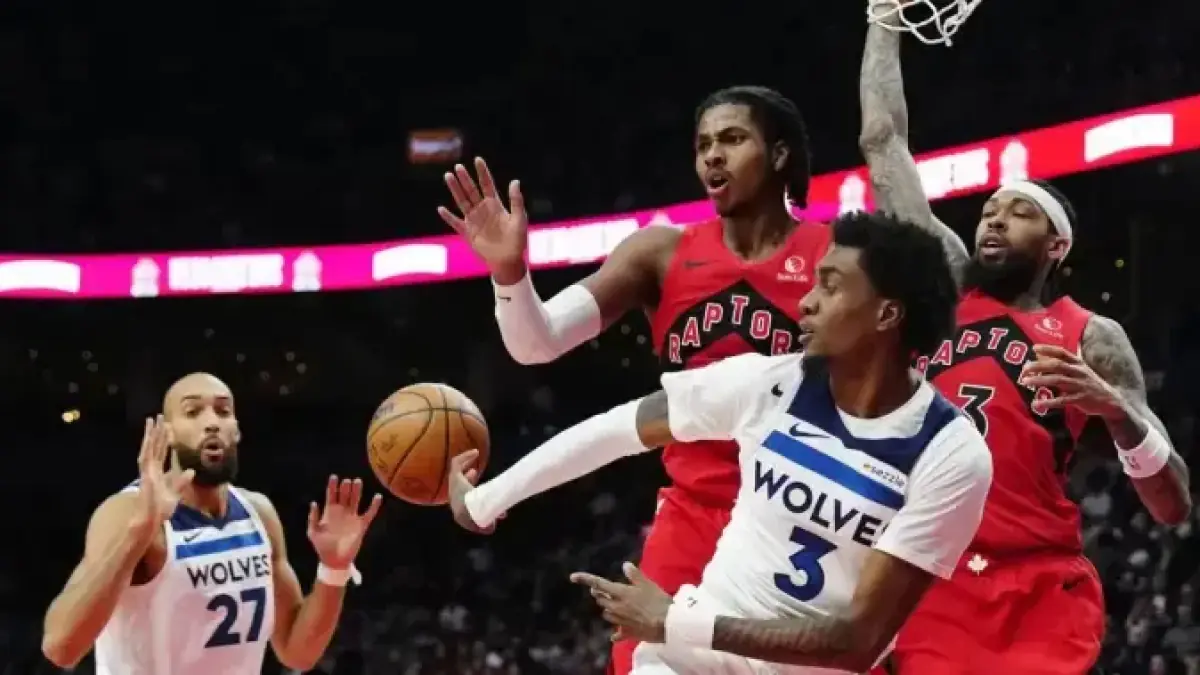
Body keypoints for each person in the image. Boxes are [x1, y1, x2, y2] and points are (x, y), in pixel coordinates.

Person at [448, 210, 991, 674]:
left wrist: (674, 620)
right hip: (691, 657)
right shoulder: (772, 382)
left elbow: (858, 641)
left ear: (887, 314)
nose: (806, 302)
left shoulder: (950, 454)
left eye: (830, 286)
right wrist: (484, 500)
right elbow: (615, 430)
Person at [439, 86, 832, 674]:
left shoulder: (838, 256)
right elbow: (536, 344)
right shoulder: (660, 253)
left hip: (804, 511)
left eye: (732, 139)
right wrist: (509, 273)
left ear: (779, 155)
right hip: (694, 509)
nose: (712, 155)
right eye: (703, 144)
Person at [856, 10, 1192, 673]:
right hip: (933, 572)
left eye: (1018, 213)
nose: (993, 220)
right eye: (989, 211)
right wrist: (885, 20)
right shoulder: (948, 285)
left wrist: (1116, 412)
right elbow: (882, 141)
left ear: (1056, 245)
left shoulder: (1092, 336)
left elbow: (1173, 504)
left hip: (1037, 580)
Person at [41, 372, 382, 674]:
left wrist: (334, 569)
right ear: (167, 433)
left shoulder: (258, 514)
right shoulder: (127, 512)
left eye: (223, 411)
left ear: (237, 430)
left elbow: (298, 653)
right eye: (193, 412)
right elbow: (60, 648)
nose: (211, 422)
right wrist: (136, 536)